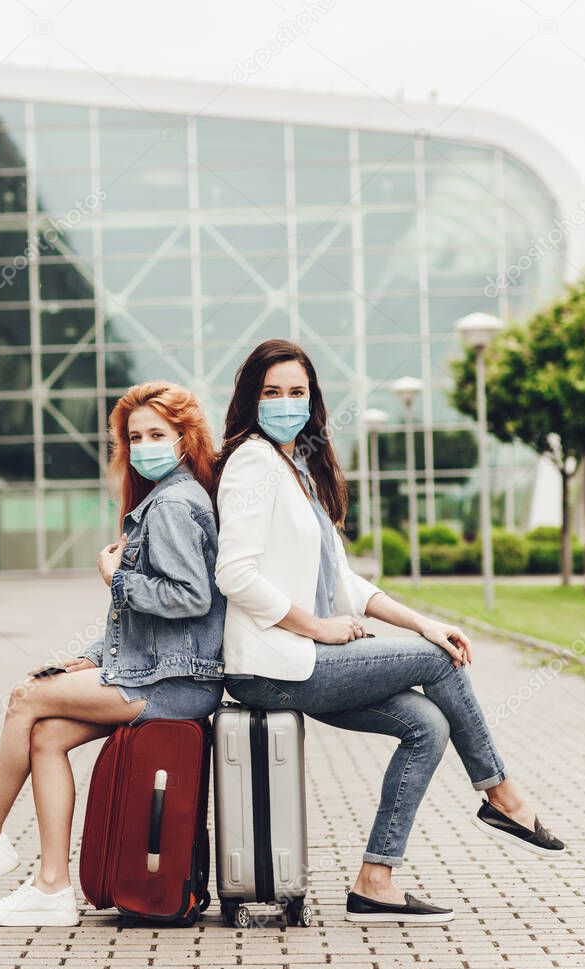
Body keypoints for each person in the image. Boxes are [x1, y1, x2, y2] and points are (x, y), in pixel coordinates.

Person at [213, 339, 565, 926]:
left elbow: (346, 583)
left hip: (298, 662)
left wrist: (426, 621)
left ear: (312, 399)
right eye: (271, 393)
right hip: (273, 667)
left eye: (296, 392)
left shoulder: (295, 468)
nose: (285, 403)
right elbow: (235, 574)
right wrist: (319, 628)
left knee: (427, 723)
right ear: (252, 400)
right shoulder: (252, 461)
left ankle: (375, 880)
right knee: (436, 662)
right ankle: (501, 793)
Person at [0, 381, 226, 926]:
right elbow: (145, 624)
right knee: (45, 735)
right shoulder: (166, 499)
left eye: (158, 433)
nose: (144, 445)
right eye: (135, 437)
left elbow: (189, 597)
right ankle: (51, 888)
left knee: (25, 698)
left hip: (174, 683)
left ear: (185, 438)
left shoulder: (176, 504)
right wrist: (92, 656)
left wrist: (115, 578)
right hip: (161, 672)